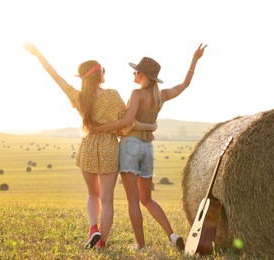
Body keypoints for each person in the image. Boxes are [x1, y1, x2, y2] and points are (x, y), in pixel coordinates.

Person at [23, 43, 156, 249]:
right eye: (103, 70)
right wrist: (146, 125)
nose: (105, 73)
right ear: (98, 74)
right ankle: (102, 242)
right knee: (108, 200)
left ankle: (93, 228)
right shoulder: (112, 95)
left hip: (88, 147)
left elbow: (55, 76)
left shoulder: (80, 97)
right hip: (109, 148)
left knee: (92, 194)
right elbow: (127, 123)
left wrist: (38, 54)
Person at [89, 43, 207, 251]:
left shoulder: (137, 94)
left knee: (133, 201)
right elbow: (185, 84)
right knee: (147, 198)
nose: (133, 74)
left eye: (136, 71)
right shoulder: (161, 96)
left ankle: (141, 246)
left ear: (143, 75)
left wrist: (104, 127)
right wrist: (195, 59)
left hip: (130, 147)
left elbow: (126, 121)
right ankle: (172, 235)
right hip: (147, 148)